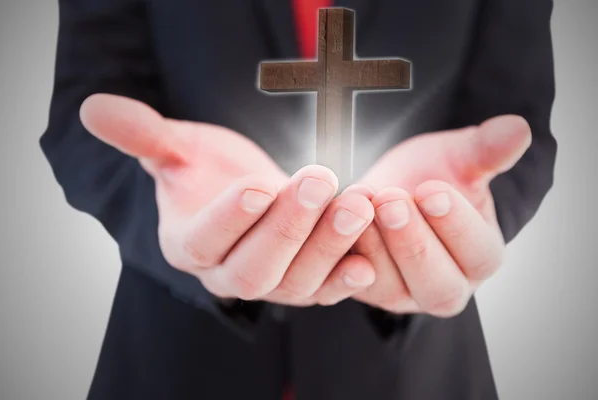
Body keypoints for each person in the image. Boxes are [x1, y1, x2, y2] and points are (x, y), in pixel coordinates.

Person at [40, 0, 557, 399]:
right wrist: (173, 218)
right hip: (178, 356)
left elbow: (519, 131)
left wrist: (451, 222)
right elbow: (83, 125)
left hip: (415, 372)